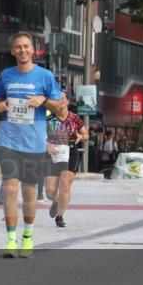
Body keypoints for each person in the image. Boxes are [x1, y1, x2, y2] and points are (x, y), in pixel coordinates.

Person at [0, 31, 63, 258]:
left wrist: (43, 99)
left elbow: (59, 108)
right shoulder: (6, 75)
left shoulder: (44, 76)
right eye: (18, 47)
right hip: (8, 140)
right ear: (13, 51)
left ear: (33, 50)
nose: (22, 51)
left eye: (26, 47)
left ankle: (28, 237)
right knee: (10, 189)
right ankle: (11, 240)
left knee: (29, 191)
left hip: (33, 142)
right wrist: (0, 105)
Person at [45, 91, 87, 228]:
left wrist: (80, 137)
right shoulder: (49, 119)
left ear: (68, 102)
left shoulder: (75, 118)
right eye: (57, 99)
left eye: (63, 98)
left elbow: (86, 134)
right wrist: (47, 144)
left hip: (70, 151)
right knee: (50, 191)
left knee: (65, 184)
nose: (60, 101)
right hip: (53, 153)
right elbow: (39, 136)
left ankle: (60, 216)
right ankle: (56, 201)